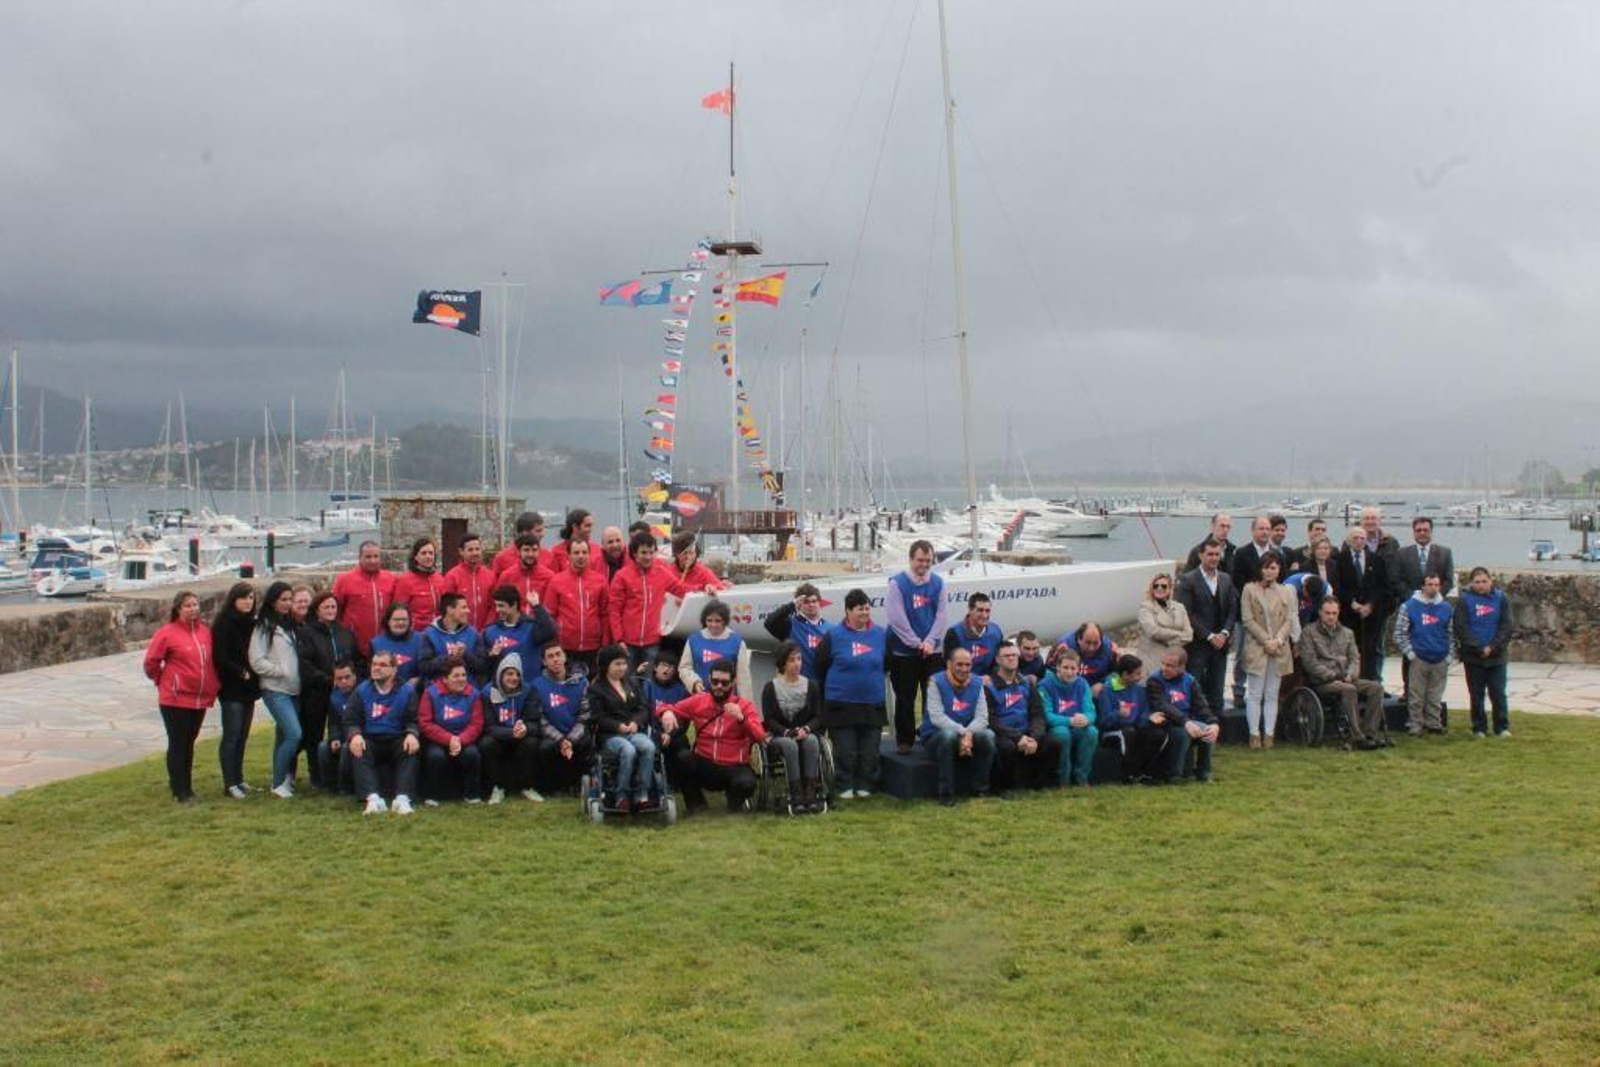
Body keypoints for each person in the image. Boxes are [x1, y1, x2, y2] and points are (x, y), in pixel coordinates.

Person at [655, 659, 766, 814]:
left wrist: (742, 719)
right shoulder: (700, 700)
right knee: (683, 758)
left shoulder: (744, 705)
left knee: (746, 783)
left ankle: (733, 808)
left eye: (724, 683)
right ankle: (697, 806)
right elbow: (665, 707)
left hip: (735, 765)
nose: (719, 686)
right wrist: (666, 712)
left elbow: (760, 736)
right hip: (705, 763)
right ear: (709, 679)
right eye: (715, 682)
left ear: (733, 682)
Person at [143, 590, 220, 802]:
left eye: (195, 604)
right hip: (175, 699)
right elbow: (151, 662)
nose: (193, 608)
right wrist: (163, 680)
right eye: (188, 605)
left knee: (189, 743)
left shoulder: (205, 632)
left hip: (199, 698)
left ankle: (185, 784)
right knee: (179, 743)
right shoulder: (167, 633)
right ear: (178, 609)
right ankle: (180, 790)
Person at [813, 589, 887, 799]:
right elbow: (820, 666)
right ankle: (844, 784)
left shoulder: (881, 634)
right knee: (846, 750)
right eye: (859, 609)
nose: (865, 612)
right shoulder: (833, 636)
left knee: (870, 750)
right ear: (848, 611)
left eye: (867, 608)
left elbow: (887, 663)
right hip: (841, 703)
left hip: (872, 702)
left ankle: (866, 784)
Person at [1298, 597, 1388, 749]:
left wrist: (1351, 674)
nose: (1331, 617)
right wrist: (1333, 676)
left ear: (1339, 612)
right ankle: (1357, 737)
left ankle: (1370, 733)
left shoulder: (1347, 633)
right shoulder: (1309, 632)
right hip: (1323, 682)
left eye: (1334, 613)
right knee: (1349, 689)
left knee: (1376, 688)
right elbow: (1310, 663)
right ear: (1320, 612)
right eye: (1327, 613)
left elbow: (1355, 658)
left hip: (1347, 678)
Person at [885, 540, 947, 754]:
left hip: (932, 651)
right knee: (905, 698)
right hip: (904, 652)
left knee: (933, 696)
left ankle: (931, 735)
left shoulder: (938, 583)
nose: (924, 564)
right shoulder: (897, 584)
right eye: (920, 560)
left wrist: (930, 641)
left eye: (928, 560)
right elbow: (896, 618)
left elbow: (941, 615)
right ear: (911, 559)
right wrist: (915, 642)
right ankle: (905, 740)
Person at [343, 649, 421, 815]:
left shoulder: (407, 691)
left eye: (382, 665)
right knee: (358, 747)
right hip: (370, 739)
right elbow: (350, 720)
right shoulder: (361, 690)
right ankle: (373, 800)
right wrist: (355, 734)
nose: (376, 668)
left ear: (394, 669)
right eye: (374, 664)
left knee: (410, 747)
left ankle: (402, 799)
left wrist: (412, 733)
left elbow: (413, 719)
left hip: (397, 738)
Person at [248, 581, 304, 798]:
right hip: (275, 689)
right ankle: (279, 783)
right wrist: (279, 671)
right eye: (283, 600)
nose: (288, 603)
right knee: (294, 734)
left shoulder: (289, 624)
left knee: (283, 736)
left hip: (294, 689)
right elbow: (256, 659)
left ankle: (280, 780)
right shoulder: (264, 626)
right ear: (273, 601)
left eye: (290, 599)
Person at [588, 645, 659, 813]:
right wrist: (617, 726)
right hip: (609, 735)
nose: (622, 668)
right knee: (628, 750)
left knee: (648, 746)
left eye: (624, 663)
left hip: (632, 731)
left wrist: (635, 722)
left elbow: (643, 708)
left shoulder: (631, 683)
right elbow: (597, 717)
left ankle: (642, 794)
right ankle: (621, 796)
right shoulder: (596, 688)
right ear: (606, 665)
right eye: (617, 664)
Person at [296, 590, 356, 790]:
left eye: (333, 607)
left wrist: (350, 681)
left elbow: (354, 659)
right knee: (314, 735)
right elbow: (304, 663)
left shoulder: (345, 632)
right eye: (326, 607)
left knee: (342, 731)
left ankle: (341, 774)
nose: (330, 610)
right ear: (317, 610)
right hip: (318, 690)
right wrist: (327, 680)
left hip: (345, 692)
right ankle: (316, 775)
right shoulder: (307, 633)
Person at [921, 646, 996, 805]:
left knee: (988, 735)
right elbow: (937, 717)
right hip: (937, 737)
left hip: (967, 737)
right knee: (948, 735)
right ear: (949, 664)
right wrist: (963, 732)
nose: (964, 669)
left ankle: (980, 788)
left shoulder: (977, 683)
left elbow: (982, 718)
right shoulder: (935, 681)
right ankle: (946, 793)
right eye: (959, 664)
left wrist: (968, 734)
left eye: (968, 665)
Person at [985, 641, 1060, 793]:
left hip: (1027, 732)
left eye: (1014, 655)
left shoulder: (1026, 683)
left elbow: (1038, 714)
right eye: (1006, 656)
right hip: (1003, 734)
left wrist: (1034, 737)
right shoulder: (989, 687)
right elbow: (991, 720)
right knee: (1007, 747)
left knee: (1054, 743)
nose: (1011, 658)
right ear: (997, 660)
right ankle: (1009, 788)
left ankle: (1038, 786)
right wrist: (1018, 737)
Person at [760, 640, 826, 813]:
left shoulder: (811, 686)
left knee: (811, 741)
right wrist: (786, 731)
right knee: (789, 744)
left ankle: (810, 792)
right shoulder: (770, 687)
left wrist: (806, 729)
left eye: (799, 659)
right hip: (780, 735)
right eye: (792, 660)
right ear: (783, 663)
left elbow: (818, 717)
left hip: (805, 733)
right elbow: (769, 719)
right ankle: (795, 794)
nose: (797, 663)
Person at [608, 530, 687, 672]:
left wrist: (710, 586)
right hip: (628, 643)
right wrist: (618, 640)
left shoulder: (662, 573)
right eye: (644, 553)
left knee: (649, 680)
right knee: (629, 681)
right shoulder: (622, 576)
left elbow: (683, 590)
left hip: (652, 642)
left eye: (651, 552)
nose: (648, 557)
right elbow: (614, 610)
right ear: (634, 554)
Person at [1176, 538, 1237, 718]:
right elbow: (1186, 613)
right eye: (1210, 554)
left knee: (1217, 691)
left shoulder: (1225, 579)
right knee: (1195, 689)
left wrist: (1224, 633)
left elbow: (1232, 609)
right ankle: (1195, 725)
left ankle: (1217, 727)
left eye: (1217, 554)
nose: (1214, 558)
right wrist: (1209, 636)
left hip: (1221, 645)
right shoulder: (1188, 580)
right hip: (1198, 644)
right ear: (1201, 555)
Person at [1240, 554, 1296, 748]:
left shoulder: (1286, 591)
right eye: (1266, 567)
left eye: (1273, 568)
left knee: (1272, 693)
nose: (1270, 571)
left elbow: (1289, 619)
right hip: (1257, 647)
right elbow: (1247, 620)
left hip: (1279, 648)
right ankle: (1254, 734)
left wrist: (1278, 640)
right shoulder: (1249, 589)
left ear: (1279, 570)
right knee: (1255, 693)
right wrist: (1266, 640)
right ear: (1260, 568)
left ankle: (1269, 734)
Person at [211, 582, 259, 799]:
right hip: (232, 687)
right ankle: (229, 782)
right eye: (243, 598)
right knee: (232, 734)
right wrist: (240, 672)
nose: (248, 602)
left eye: (251, 598)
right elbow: (220, 656)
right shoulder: (224, 622)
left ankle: (238, 778)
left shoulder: (251, 623)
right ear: (234, 599)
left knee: (243, 735)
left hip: (249, 687)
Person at [1394, 573, 1456, 737]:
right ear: (1422, 586)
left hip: (1440, 658)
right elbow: (1399, 633)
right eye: (1430, 584)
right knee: (1416, 695)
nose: (1433, 588)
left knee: (1435, 695)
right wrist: (1411, 654)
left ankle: (1434, 724)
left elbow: (1452, 634)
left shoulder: (1447, 608)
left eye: (1436, 585)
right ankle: (1415, 725)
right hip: (1419, 658)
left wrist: (1449, 656)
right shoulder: (1409, 606)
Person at [1454, 566, 1512, 738]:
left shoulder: (1501, 598)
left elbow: (1507, 626)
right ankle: (1479, 728)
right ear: (1471, 583)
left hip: (1497, 657)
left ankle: (1501, 727)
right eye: (1477, 582)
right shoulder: (1464, 601)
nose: (1481, 585)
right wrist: (1478, 648)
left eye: (1484, 581)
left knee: (1498, 693)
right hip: (1473, 657)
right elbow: (1461, 627)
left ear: (1490, 581)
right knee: (1476, 694)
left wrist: (1493, 647)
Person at [477, 652, 542, 804]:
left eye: (517, 674)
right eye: (509, 674)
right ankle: (497, 788)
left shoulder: (529, 690)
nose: (514, 678)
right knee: (486, 743)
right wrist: (511, 732)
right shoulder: (487, 693)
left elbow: (534, 722)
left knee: (531, 742)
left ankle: (527, 787)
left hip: (521, 736)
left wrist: (525, 728)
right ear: (500, 674)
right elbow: (489, 727)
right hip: (499, 737)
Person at [417, 658, 485, 803]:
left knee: (472, 754)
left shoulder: (474, 694)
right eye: (456, 676)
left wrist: (460, 739)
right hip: (436, 740)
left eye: (464, 675)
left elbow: (477, 724)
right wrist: (449, 739)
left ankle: (471, 795)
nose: (461, 679)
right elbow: (425, 723)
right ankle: (432, 796)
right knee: (436, 756)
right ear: (445, 679)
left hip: (463, 739)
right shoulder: (430, 693)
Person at [1148, 648, 1220, 782]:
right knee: (1182, 734)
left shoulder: (1190, 681)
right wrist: (1186, 722)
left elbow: (1201, 705)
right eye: (1163, 663)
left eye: (1170, 666)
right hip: (1165, 722)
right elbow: (1162, 706)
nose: (1164, 668)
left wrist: (1213, 723)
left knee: (1208, 731)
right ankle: (1174, 775)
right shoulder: (1154, 680)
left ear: (1182, 667)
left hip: (1186, 722)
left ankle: (1204, 772)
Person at [531, 644, 593, 794]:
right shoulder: (536, 685)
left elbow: (585, 716)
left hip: (576, 733)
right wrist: (561, 740)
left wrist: (570, 739)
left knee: (587, 742)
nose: (555, 659)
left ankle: (578, 785)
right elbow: (541, 720)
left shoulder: (582, 682)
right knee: (545, 748)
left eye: (558, 654)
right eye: (550, 656)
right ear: (544, 662)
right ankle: (556, 786)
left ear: (565, 657)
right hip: (552, 736)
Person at [543, 538, 610, 676]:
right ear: (569, 555)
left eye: (584, 552)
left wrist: (605, 644)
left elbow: (605, 614)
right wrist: (554, 643)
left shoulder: (600, 581)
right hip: (565, 647)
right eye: (576, 552)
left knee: (591, 685)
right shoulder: (556, 581)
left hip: (593, 647)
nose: (581, 556)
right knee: (567, 685)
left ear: (589, 555)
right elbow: (549, 616)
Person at [1095, 654, 1167, 783]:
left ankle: (1144, 773)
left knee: (1158, 734)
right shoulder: (1107, 690)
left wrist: (1150, 718)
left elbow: (1142, 715)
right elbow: (1104, 721)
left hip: (1133, 728)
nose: (1141, 677)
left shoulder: (1139, 690)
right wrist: (1118, 714)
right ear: (1125, 674)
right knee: (1128, 733)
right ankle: (1129, 774)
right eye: (1137, 674)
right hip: (1112, 732)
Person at [1337, 526, 1389, 682]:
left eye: (1362, 538)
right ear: (1348, 540)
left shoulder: (1376, 560)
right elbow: (1337, 585)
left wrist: (1370, 605)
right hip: (1348, 614)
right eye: (1355, 538)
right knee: (1349, 649)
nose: (1359, 541)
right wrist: (1351, 603)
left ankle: (1369, 681)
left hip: (1370, 615)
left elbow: (1382, 586)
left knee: (1370, 649)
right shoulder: (1340, 559)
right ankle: (1349, 680)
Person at [1360, 506, 1405, 686]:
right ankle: (1360, 682)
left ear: (1380, 521)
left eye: (1373, 518)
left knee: (1378, 645)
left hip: (1383, 603)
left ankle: (1376, 682)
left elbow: (1396, 572)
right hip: (1359, 604)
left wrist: (1391, 598)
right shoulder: (1354, 539)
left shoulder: (1391, 542)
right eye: (1367, 518)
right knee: (1359, 644)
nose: (1370, 521)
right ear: (1361, 521)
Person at [1040, 646, 1097, 787]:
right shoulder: (1045, 685)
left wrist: (1087, 719)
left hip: (1076, 726)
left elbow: (1091, 711)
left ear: (1078, 669)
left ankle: (1082, 777)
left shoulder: (1082, 684)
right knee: (1063, 733)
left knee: (1091, 732)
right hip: (1055, 727)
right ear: (1058, 668)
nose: (1070, 672)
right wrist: (1069, 721)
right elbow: (1046, 716)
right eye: (1065, 667)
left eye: (1073, 668)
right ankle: (1063, 780)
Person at [331, 541, 396, 658]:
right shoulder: (344, 580)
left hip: (384, 644)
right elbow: (335, 611)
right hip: (355, 645)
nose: (372, 561)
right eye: (368, 557)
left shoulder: (391, 579)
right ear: (359, 558)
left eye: (376, 556)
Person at [679, 598, 754, 697]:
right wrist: (694, 682)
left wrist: (745, 704)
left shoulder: (737, 642)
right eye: (709, 620)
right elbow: (684, 667)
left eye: (717, 621)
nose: (713, 625)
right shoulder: (693, 639)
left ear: (725, 621)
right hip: (699, 697)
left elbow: (743, 679)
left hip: (726, 699)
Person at [483, 584, 557, 678]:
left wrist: (536, 606)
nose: (497, 610)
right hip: (503, 686)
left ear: (514, 605)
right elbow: (484, 664)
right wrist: (491, 655)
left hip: (530, 685)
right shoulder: (490, 631)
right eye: (496, 606)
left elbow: (550, 631)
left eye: (501, 606)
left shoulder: (531, 627)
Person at [762, 581, 829, 680]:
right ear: (799, 605)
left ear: (819, 603)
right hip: (796, 685)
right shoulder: (790, 625)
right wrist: (792, 605)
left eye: (814, 601)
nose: (811, 605)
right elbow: (769, 622)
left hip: (822, 685)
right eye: (806, 602)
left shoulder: (831, 629)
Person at [420, 592, 487, 684]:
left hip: (468, 690)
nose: (468, 611)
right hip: (438, 690)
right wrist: (448, 659)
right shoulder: (429, 634)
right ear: (450, 610)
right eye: (463, 607)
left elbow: (483, 666)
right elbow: (424, 668)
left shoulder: (473, 633)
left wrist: (465, 654)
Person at [317, 661, 359, 795]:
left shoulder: (362, 693)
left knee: (347, 748)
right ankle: (329, 785)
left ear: (354, 676)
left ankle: (345, 786)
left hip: (358, 736)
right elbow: (333, 722)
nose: (344, 682)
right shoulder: (334, 697)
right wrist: (334, 738)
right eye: (339, 679)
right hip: (341, 735)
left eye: (347, 677)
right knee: (323, 747)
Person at [1136, 572, 1192, 666]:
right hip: (1152, 660)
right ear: (1152, 588)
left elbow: (1189, 635)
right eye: (1156, 586)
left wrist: (1170, 643)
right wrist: (1179, 634)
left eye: (1163, 586)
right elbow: (1153, 631)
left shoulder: (1180, 607)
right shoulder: (1145, 607)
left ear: (1170, 589)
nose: (1159, 588)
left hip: (1174, 660)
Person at [443, 532, 496, 632]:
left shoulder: (490, 576)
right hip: (460, 633)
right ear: (461, 551)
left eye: (477, 549)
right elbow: (448, 608)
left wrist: (487, 627)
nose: (475, 553)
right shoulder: (452, 576)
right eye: (470, 550)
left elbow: (493, 606)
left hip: (485, 632)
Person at [942, 592, 1004, 677]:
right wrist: (975, 680)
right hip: (962, 680)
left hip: (989, 681)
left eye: (987, 611)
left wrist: (991, 678)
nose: (984, 615)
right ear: (970, 610)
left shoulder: (996, 631)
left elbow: (999, 662)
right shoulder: (954, 633)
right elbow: (949, 666)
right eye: (980, 610)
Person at [393, 537, 448, 629]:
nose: (428, 556)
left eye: (431, 553)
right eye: (423, 553)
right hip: (416, 632)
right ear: (416, 557)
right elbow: (398, 610)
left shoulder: (439, 579)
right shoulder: (405, 580)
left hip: (437, 630)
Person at [370, 603, 428, 689]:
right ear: (388, 621)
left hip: (415, 692)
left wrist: (420, 680)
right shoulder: (375, 644)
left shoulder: (421, 640)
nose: (401, 622)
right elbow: (371, 676)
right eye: (396, 619)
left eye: (404, 619)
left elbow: (429, 670)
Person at [1397, 516, 1456, 597]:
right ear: (1414, 533)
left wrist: (1435, 596)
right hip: (1410, 601)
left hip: (1436, 601)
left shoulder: (1445, 553)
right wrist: (1413, 597)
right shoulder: (1401, 553)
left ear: (1431, 532)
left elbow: (1449, 581)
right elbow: (1398, 580)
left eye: (1425, 530)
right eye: (1418, 530)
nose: (1422, 533)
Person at [495, 534, 553, 615]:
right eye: (526, 550)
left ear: (539, 552)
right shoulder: (506, 576)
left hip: (539, 621)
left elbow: (551, 607)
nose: (530, 554)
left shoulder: (549, 576)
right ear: (518, 552)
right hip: (515, 621)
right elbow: (499, 603)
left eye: (534, 550)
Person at [1059, 622, 1116, 696]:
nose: (1091, 648)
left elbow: (1116, 673)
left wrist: (1104, 683)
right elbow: (1050, 672)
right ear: (1079, 639)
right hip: (1069, 690)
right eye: (1088, 643)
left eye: (1096, 643)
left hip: (1096, 692)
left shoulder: (1110, 649)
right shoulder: (1064, 646)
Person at [545, 508, 601, 575]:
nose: (591, 529)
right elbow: (554, 577)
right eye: (587, 526)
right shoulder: (557, 552)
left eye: (591, 526)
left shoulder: (597, 549)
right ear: (575, 527)